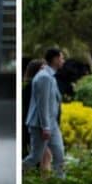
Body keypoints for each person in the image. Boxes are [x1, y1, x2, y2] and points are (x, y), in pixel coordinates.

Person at [25, 46, 66, 176]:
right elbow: (43, 104)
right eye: (61, 58)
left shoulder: (50, 76)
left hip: (52, 124)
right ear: (55, 59)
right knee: (35, 157)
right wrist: (46, 127)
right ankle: (20, 172)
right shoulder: (44, 77)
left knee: (59, 156)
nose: (63, 60)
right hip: (41, 125)